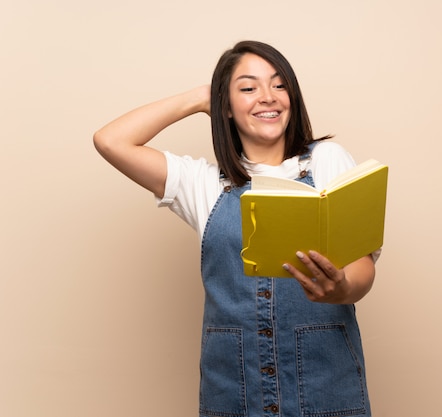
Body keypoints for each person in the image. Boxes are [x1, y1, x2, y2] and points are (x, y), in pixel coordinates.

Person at [94, 40, 376, 417]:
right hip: (234, 393)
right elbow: (110, 140)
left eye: (279, 85)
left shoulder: (329, 160)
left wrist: (341, 288)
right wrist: (199, 98)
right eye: (248, 87)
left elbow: (362, 265)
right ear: (225, 106)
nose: (268, 97)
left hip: (325, 389)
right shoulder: (203, 184)